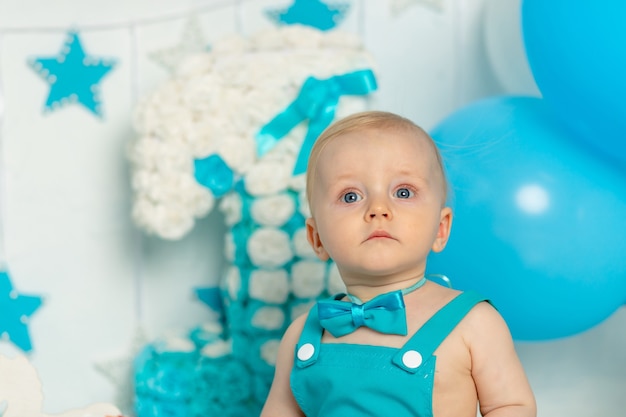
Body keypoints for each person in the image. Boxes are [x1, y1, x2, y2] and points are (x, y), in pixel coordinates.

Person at [260, 111, 537, 417]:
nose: (378, 209)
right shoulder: (303, 335)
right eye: (350, 196)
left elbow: (510, 407)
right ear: (317, 239)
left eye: (403, 192)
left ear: (441, 229)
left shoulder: (473, 323)